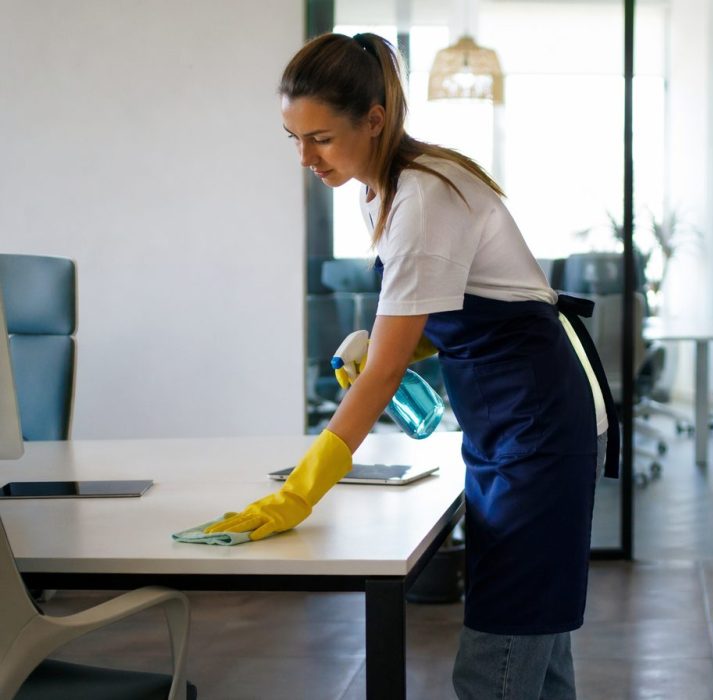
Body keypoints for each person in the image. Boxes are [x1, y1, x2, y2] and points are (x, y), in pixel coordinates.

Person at [207, 32, 617, 699]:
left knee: (497, 665)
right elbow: (449, 315)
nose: (306, 158)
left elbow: (387, 375)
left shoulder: (422, 197)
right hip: (511, 423)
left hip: (538, 427)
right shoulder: (384, 189)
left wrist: (300, 491)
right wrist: (384, 341)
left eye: (321, 138)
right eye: (295, 139)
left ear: (374, 120)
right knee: (536, 641)